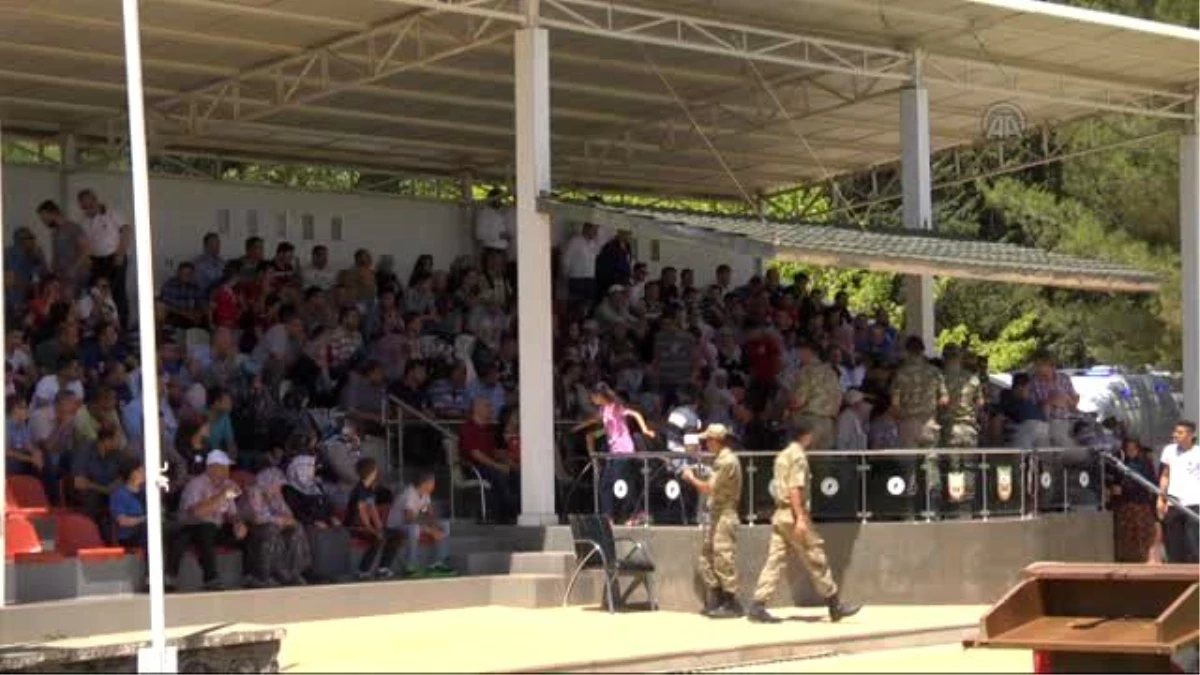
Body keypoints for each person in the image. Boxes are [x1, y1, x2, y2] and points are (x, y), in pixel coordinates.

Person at [747, 420, 860, 624]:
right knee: (815, 557)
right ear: (806, 435)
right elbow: (795, 488)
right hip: (793, 515)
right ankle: (834, 604)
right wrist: (800, 518)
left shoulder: (782, 455)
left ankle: (758, 604)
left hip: (781, 514)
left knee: (775, 561)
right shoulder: (798, 456)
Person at [681, 424, 743, 619]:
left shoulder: (726, 461)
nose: (706, 444)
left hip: (725, 515)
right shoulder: (721, 459)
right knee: (706, 558)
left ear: (716, 441)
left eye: (708, 440)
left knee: (723, 558)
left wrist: (691, 478)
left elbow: (709, 488)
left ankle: (731, 602)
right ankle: (717, 598)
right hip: (716, 514)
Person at [573, 383, 656, 525]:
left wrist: (645, 429)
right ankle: (611, 515)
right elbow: (597, 420)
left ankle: (636, 513)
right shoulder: (603, 409)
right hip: (613, 452)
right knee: (607, 483)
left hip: (623, 450)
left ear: (600, 395)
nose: (592, 400)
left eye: (593, 397)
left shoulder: (617, 407)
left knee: (619, 482)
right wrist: (579, 427)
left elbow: (634, 414)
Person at [166, 450, 248, 591]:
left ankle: (252, 576)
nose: (226, 472)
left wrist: (238, 523)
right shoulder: (196, 484)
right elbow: (197, 513)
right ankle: (211, 579)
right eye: (222, 468)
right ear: (211, 468)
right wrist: (222, 495)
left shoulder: (227, 484)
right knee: (205, 529)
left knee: (249, 532)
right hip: (192, 527)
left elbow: (233, 513)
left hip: (215, 527)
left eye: (227, 468)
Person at [241, 466, 312, 587]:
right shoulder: (254, 491)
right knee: (271, 530)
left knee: (297, 529)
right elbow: (258, 518)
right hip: (255, 529)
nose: (279, 487)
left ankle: (292, 573)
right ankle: (263, 575)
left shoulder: (276, 495)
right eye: (277, 484)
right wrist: (280, 520)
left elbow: (289, 516)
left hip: (275, 526)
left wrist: (285, 520)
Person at [78, 189, 131, 329]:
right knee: (96, 292)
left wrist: (120, 253)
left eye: (89, 205)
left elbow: (126, 231)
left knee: (117, 292)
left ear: (95, 200)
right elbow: (85, 243)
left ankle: (121, 328)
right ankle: (102, 327)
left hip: (114, 257)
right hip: (97, 261)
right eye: (84, 207)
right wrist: (87, 259)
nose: (87, 210)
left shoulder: (112, 213)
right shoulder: (84, 221)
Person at [386, 472, 455, 578]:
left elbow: (429, 514)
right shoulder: (409, 493)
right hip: (397, 525)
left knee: (445, 524)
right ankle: (410, 566)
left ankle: (436, 564)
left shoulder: (425, 494)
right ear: (426, 483)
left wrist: (435, 526)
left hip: (411, 523)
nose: (434, 486)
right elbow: (409, 518)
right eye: (433, 483)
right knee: (414, 529)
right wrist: (430, 530)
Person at [345, 457, 402, 580]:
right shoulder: (359, 490)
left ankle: (383, 568)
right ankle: (362, 571)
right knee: (377, 537)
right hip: (356, 526)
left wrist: (380, 528)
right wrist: (373, 530)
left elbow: (372, 510)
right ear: (371, 472)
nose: (377, 471)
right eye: (375, 469)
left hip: (366, 525)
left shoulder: (369, 489)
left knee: (397, 535)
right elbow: (362, 514)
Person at [1110, 438, 1159, 563]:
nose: (1130, 451)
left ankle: (1143, 558)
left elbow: (1150, 482)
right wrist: (1114, 489)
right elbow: (1115, 481)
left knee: (1142, 533)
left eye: (1133, 449)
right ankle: (1128, 559)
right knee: (1126, 535)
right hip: (1124, 505)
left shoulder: (1144, 463)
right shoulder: (1120, 463)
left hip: (1141, 503)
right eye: (1128, 449)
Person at [1159, 420, 1200, 564]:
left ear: (1190, 435)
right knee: (1174, 545)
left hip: (1195, 503)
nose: (1175, 435)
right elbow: (1165, 475)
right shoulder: (1169, 450)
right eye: (1175, 432)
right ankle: (1175, 579)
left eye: (1180, 432)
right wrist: (1160, 499)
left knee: (1193, 545)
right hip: (1173, 503)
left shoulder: (1198, 452)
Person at [790, 342, 842, 451]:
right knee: (823, 463)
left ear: (807, 352)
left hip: (809, 422)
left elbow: (798, 401)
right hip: (829, 424)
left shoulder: (806, 371)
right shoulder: (831, 372)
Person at [110, 459, 147, 549]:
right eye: (140, 470)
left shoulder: (146, 491)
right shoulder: (119, 494)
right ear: (131, 474)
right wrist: (145, 518)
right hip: (130, 537)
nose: (144, 472)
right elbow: (123, 521)